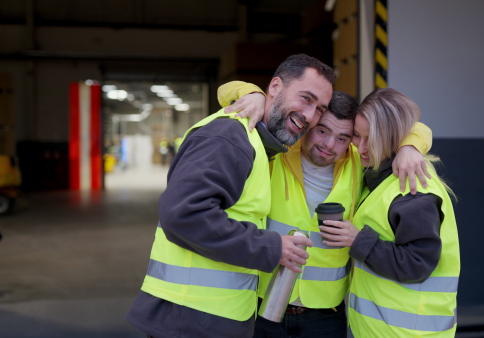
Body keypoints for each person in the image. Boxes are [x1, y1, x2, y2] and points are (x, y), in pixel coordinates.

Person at [126, 53, 336, 338]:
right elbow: (184, 214)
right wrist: (273, 248)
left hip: (209, 319)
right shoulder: (229, 136)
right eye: (306, 99)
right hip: (189, 319)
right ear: (275, 87)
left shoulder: (259, 145)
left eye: (320, 109)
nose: (310, 117)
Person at [220, 83, 434, 337]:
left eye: (343, 137)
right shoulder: (277, 152)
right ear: (310, 124)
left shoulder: (358, 160)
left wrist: (409, 146)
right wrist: (255, 96)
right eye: (322, 131)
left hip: (325, 317)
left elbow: (417, 126)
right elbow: (226, 90)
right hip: (263, 307)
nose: (329, 145)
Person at [320, 88, 460, 337]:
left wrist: (357, 240)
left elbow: (417, 264)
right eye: (356, 136)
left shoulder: (413, 189)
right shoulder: (378, 175)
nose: (360, 147)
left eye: (369, 139)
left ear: (393, 138)